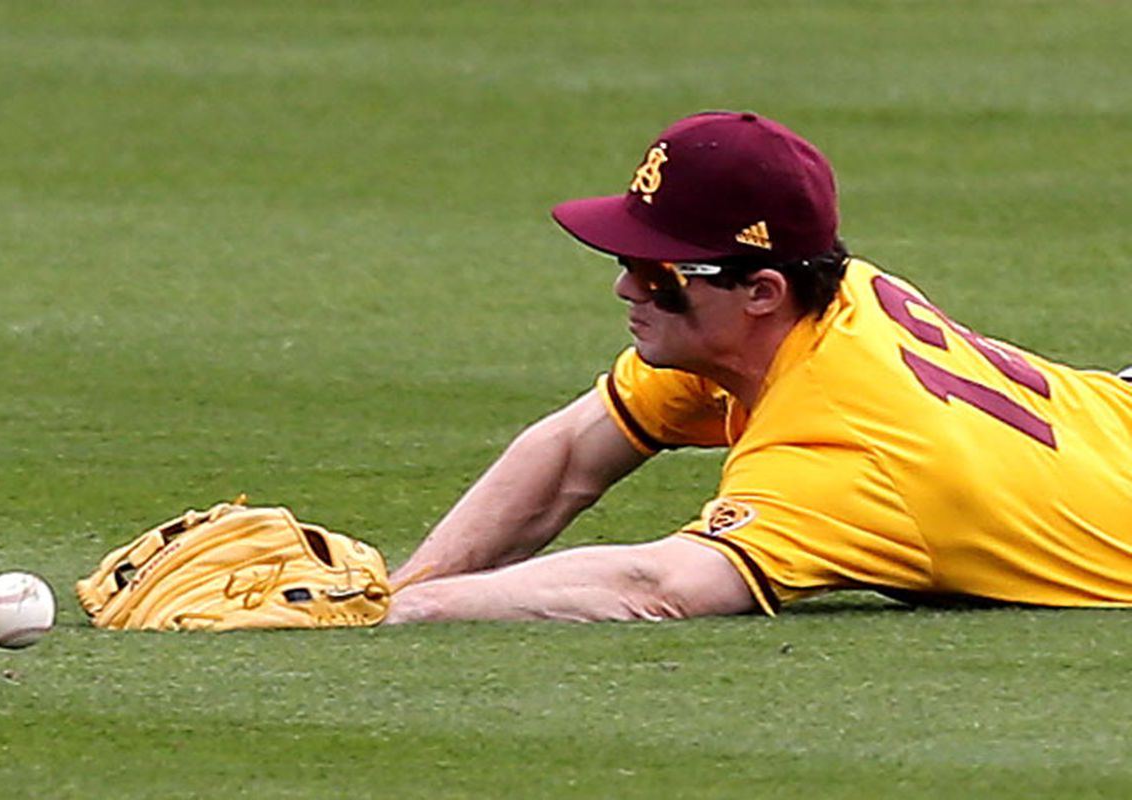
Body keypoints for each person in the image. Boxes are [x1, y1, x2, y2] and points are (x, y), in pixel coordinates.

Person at [383, 111, 1132, 623]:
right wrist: (403, 582)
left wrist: (407, 613)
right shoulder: (813, 306)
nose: (625, 287)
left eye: (655, 272)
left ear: (761, 293)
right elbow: (571, 453)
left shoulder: (841, 457)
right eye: (628, 262)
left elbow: (658, 587)